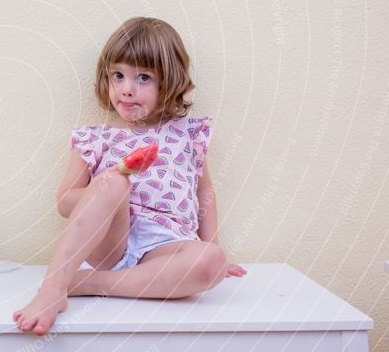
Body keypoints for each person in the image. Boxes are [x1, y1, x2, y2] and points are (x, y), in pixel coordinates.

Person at [14, 17, 246, 335]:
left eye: (143, 78)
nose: (126, 90)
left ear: (169, 82)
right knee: (113, 182)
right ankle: (53, 287)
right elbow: (65, 203)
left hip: (167, 247)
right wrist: (106, 184)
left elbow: (204, 193)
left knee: (212, 262)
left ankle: (86, 283)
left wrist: (212, 247)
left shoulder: (188, 134)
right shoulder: (95, 139)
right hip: (112, 243)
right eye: (118, 75)